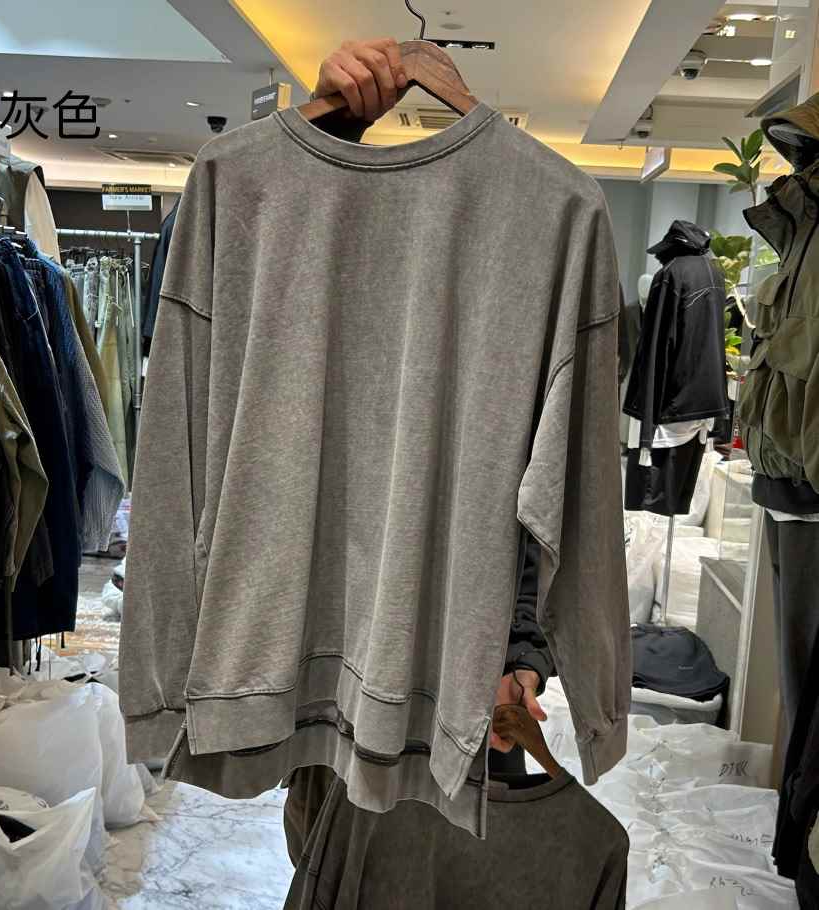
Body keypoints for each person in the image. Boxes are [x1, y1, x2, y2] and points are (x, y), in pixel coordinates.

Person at [281, 39, 557, 863]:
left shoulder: (540, 230)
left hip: (458, 672)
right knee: (331, 858)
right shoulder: (282, 236)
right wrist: (327, 131)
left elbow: (545, 490)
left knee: (433, 866)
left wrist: (520, 653)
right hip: (325, 673)